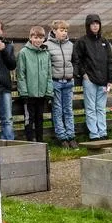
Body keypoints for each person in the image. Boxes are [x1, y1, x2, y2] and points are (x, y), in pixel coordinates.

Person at [73, 14, 112, 141]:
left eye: (97, 23)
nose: (95, 26)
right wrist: (84, 74)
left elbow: (110, 61)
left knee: (101, 108)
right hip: (90, 80)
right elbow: (76, 59)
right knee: (90, 108)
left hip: (103, 80)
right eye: (92, 24)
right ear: (88, 25)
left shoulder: (104, 42)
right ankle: (94, 134)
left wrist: (111, 79)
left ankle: (103, 132)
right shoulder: (82, 42)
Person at [17, 26, 53, 143]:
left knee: (40, 118)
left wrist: (49, 91)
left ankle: (40, 142)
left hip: (41, 93)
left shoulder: (46, 54)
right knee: (29, 119)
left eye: (40, 38)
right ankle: (30, 142)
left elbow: (48, 74)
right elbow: (21, 74)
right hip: (29, 93)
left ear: (44, 39)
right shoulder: (23, 53)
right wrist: (24, 92)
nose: (38, 40)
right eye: (35, 37)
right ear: (30, 37)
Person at [46, 20, 77, 148]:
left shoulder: (70, 45)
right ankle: (62, 137)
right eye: (61, 30)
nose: (64, 33)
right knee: (58, 110)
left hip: (68, 81)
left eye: (66, 30)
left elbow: (74, 61)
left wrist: (73, 73)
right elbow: (46, 66)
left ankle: (71, 135)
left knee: (68, 110)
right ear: (54, 31)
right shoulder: (47, 45)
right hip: (56, 82)